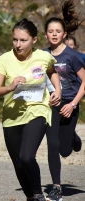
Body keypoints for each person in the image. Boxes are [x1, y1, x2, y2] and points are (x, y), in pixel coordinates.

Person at [0, 18, 61, 201]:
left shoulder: (43, 57)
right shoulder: (4, 59)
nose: (18, 44)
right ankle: (31, 197)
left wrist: (57, 90)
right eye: (15, 40)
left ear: (34, 40)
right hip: (12, 116)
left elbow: (52, 72)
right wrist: (10, 87)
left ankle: (38, 194)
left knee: (27, 156)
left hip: (38, 110)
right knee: (19, 163)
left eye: (23, 40)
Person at [43, 0, 85, 200]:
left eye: (57, 31)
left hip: (70, 103)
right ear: (45, 35)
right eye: (50, 31)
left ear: (64, 34)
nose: (53, 34)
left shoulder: (73, 56)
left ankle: (74, 139)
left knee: (65, 150)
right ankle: (56, 186)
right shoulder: (41, 56)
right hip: (51, 105)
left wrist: (73, 104)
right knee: (52, 144)